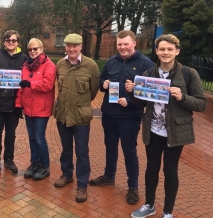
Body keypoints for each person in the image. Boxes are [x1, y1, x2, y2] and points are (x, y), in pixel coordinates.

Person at [126, 34, 207, 218]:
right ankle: (149, 205)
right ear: (156, 51)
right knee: (151, 169)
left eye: (170, 49)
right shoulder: (148, 74)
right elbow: (142, 104)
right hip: (153, 130)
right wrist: (132, 93)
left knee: (170, 171)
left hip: (175, 132)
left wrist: (182, 97)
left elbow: (202, 103)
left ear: (177, 51)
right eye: (162, 49)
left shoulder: (188, 73)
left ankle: (168, 212)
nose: (165, 52)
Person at [88, 30, 154, 204]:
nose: (122, 47)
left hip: (130, 116)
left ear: (134, 44)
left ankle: (133, 187)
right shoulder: (111, 61)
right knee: (110, 147)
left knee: (129, 151)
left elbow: (150, 94)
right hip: (109, 114)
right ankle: (109, 176)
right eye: (119, 44)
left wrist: (131, 101)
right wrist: (104, 83)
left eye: (126, 44)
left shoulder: (145, 64)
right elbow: (101, 83)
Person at [52, 33, 100, 203]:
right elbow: (59, 87)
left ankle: (82, 184)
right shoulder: (60, 64)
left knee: (81, 151)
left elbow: (93, 91)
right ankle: (67, 174)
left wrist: (81, 104)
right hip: (63, 115)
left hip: (80, 117)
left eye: (75, 45)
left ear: (80, 47)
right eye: (68, 45)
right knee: (65, 148)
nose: (72, 49)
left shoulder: (91, 66)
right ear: (65, 46)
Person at [0, 30, 27, 173]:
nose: (11, 42)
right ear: (4, 42)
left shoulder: (24, 59)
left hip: (15, 103)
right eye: (8, 40)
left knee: (11, 133)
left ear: (17, 42)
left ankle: (9, 159)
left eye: (14, 40)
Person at [15, 38, 56, 181]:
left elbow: (47, 85)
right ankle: (35, 163)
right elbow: (21, 87)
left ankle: (45, 166)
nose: (33, 52)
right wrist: (19, 105)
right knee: (32, 138)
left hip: (41, 108)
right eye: (30, 49)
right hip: (28, 108)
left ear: (41, 49)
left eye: (35, 49)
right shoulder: (26, 66)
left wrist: (30, 84)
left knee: (39, 138)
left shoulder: (49, 65)